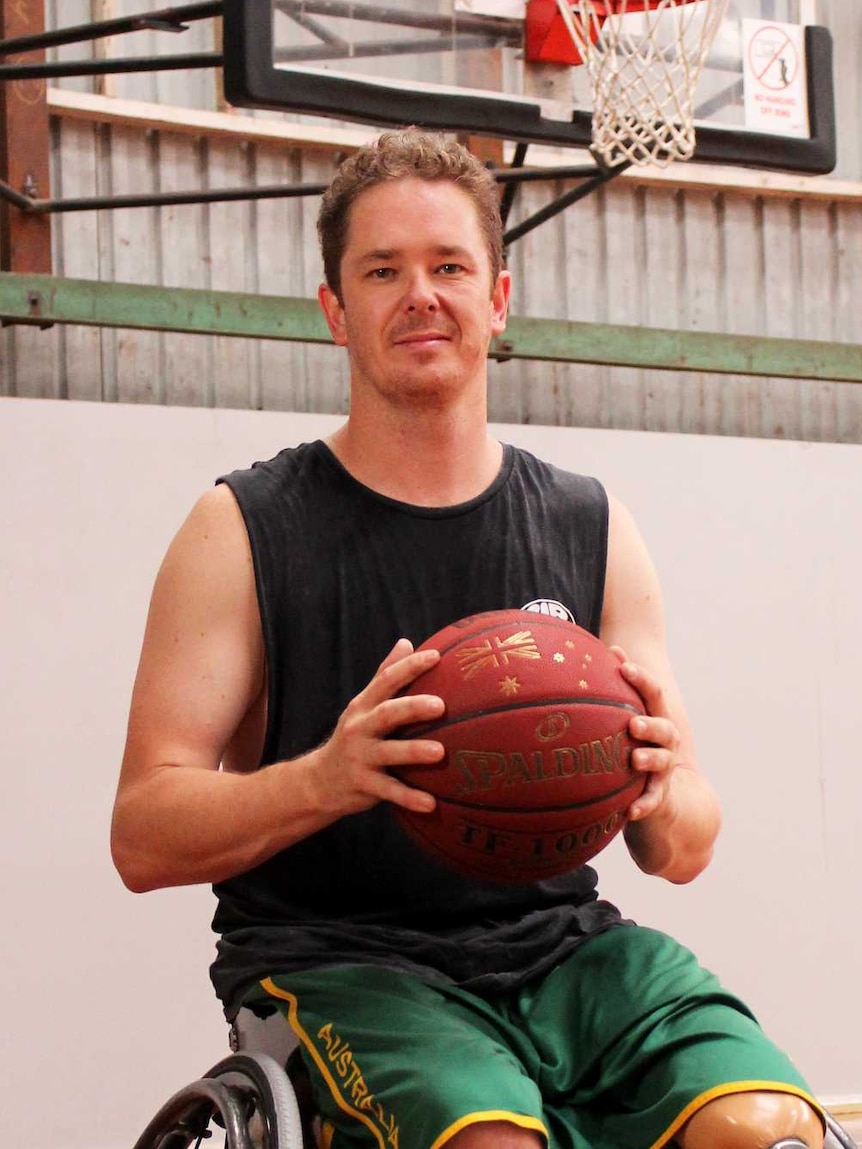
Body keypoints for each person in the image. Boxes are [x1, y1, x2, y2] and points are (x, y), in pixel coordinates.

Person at [112, 130, 824, 1149]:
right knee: (487, 1140)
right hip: (336, 958)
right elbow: (141, 835)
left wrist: (666, 787)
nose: (420, 295)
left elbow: (682, 848)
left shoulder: (591, 523)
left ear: (496, 299)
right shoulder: (241, 528)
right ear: (335, 312)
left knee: (766, 1129)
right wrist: (328, 777)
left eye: (448, 267)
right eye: (382, 271)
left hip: (568, 955)